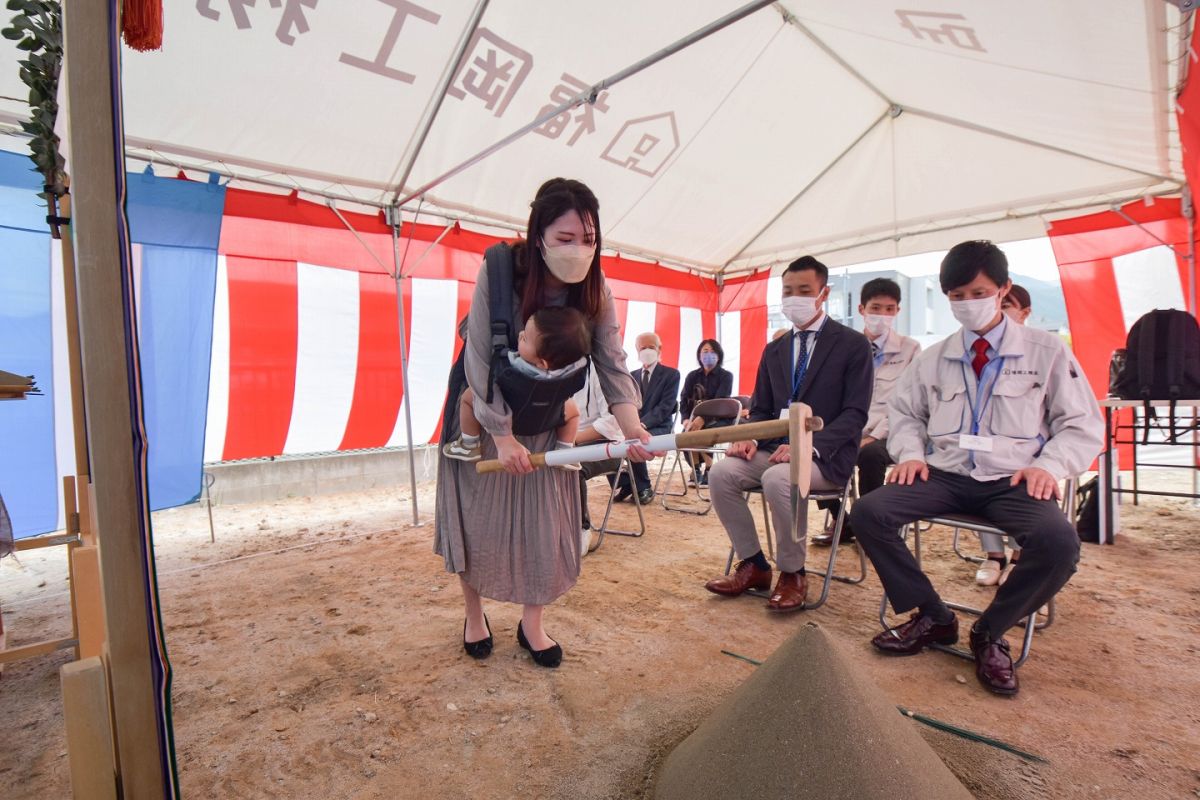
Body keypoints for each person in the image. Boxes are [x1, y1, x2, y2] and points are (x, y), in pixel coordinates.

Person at [849, 241, 1102, 696]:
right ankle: (933, 616)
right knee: (869, 512)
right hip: (944, 475)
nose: (967, 304)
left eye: (978, 292)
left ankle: (990, 631)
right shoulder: (934, 356)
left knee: (1059, 543)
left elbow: (1082, 425)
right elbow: (906, 415)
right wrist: (910, 455)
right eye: (956, 295)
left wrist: (1050, 465)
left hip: (1013, 479)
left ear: (1003, 289)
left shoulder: (1046, 352)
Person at [433, 178, 651, 669]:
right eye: (566, 239)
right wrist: (501, 435)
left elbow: (613, 364)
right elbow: (481, 361)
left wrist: (634, 429)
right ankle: (474, 615)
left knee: (544, 527)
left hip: (549, 416)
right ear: (539, 237)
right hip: (485, 408)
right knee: (477, 519)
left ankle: (533, 623)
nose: (579, 250)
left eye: (589, 240)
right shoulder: (499, 270)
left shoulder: (597, 292)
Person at [703, 256, 872, 612]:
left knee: (781, 479)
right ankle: (754, 565)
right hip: (775, 448)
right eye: (788, 291)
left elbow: (855, 414)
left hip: (824, 455)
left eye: (805, 291)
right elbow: (762, 408)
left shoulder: (852, 345)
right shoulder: (775, 349)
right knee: (721, 473)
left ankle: (793, 573)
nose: (795, 298)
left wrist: (807, 448)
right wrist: (750, 436)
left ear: (824, 293)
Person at [813, 278, 920, 546]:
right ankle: (843, 519)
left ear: (898, 311)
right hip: (850, 427)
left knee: (870, 455)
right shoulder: (845, 346)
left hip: (890, 432)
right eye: (875, 308)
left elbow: (907, 402)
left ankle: (874, 526)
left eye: (889, 308)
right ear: (862, 309)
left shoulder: (910, 349)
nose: (882, 315)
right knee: (813, 450)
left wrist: (875, 435)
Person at [443, 306, 589, 468]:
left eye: (525, 338)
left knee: (468, 398)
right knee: (574, 413)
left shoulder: (516, 363)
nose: (520, 335)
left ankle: (469, 443)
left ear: (542, 363)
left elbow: (490, 373)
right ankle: (564, 450)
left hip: (508, 413)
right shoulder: (568, 371)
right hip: (547, 418)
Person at [974, 283, 1033, 584]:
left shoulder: (1040, 353)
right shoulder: (975, 353)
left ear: (1025, 313)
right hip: (982, 450)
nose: (999, 311)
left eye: (1007, 305)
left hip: (1023, 458)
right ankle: (993, 555)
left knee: (1019, 483)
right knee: (974, 468)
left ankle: (1019, 557)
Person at [613, 332, 680, 505]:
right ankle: (625, 483)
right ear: (636, 350)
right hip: (634, 426)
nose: (647, 351)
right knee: (608, 439)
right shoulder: (630, 376)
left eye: (651, 347)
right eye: (643, 348)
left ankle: (644, 488)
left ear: (659, 349)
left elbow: (665, 407)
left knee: (635, 440)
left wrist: (641, 424)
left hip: (659, 427)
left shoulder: (671, 374)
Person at [574, 364, 624, 555]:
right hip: (570, 441)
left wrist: (574, 440)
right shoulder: (557, 369)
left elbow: (611, 422)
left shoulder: (603, 371)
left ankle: (581, 528)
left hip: (608, 445)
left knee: (571, 466)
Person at [679, 339, 734, 486]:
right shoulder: (692, 376)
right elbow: (684, 399)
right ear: (699, 355)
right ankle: (697, 468)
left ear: (719, 355)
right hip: (694, 419)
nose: (708, 355)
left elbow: (720, 401)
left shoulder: (726, 376)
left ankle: (709, 468)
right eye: (705, 351)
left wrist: (702, 418)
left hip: (719, 418)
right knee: (690, 430)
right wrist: (685, 419)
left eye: (712, 351)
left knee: (699, 431)